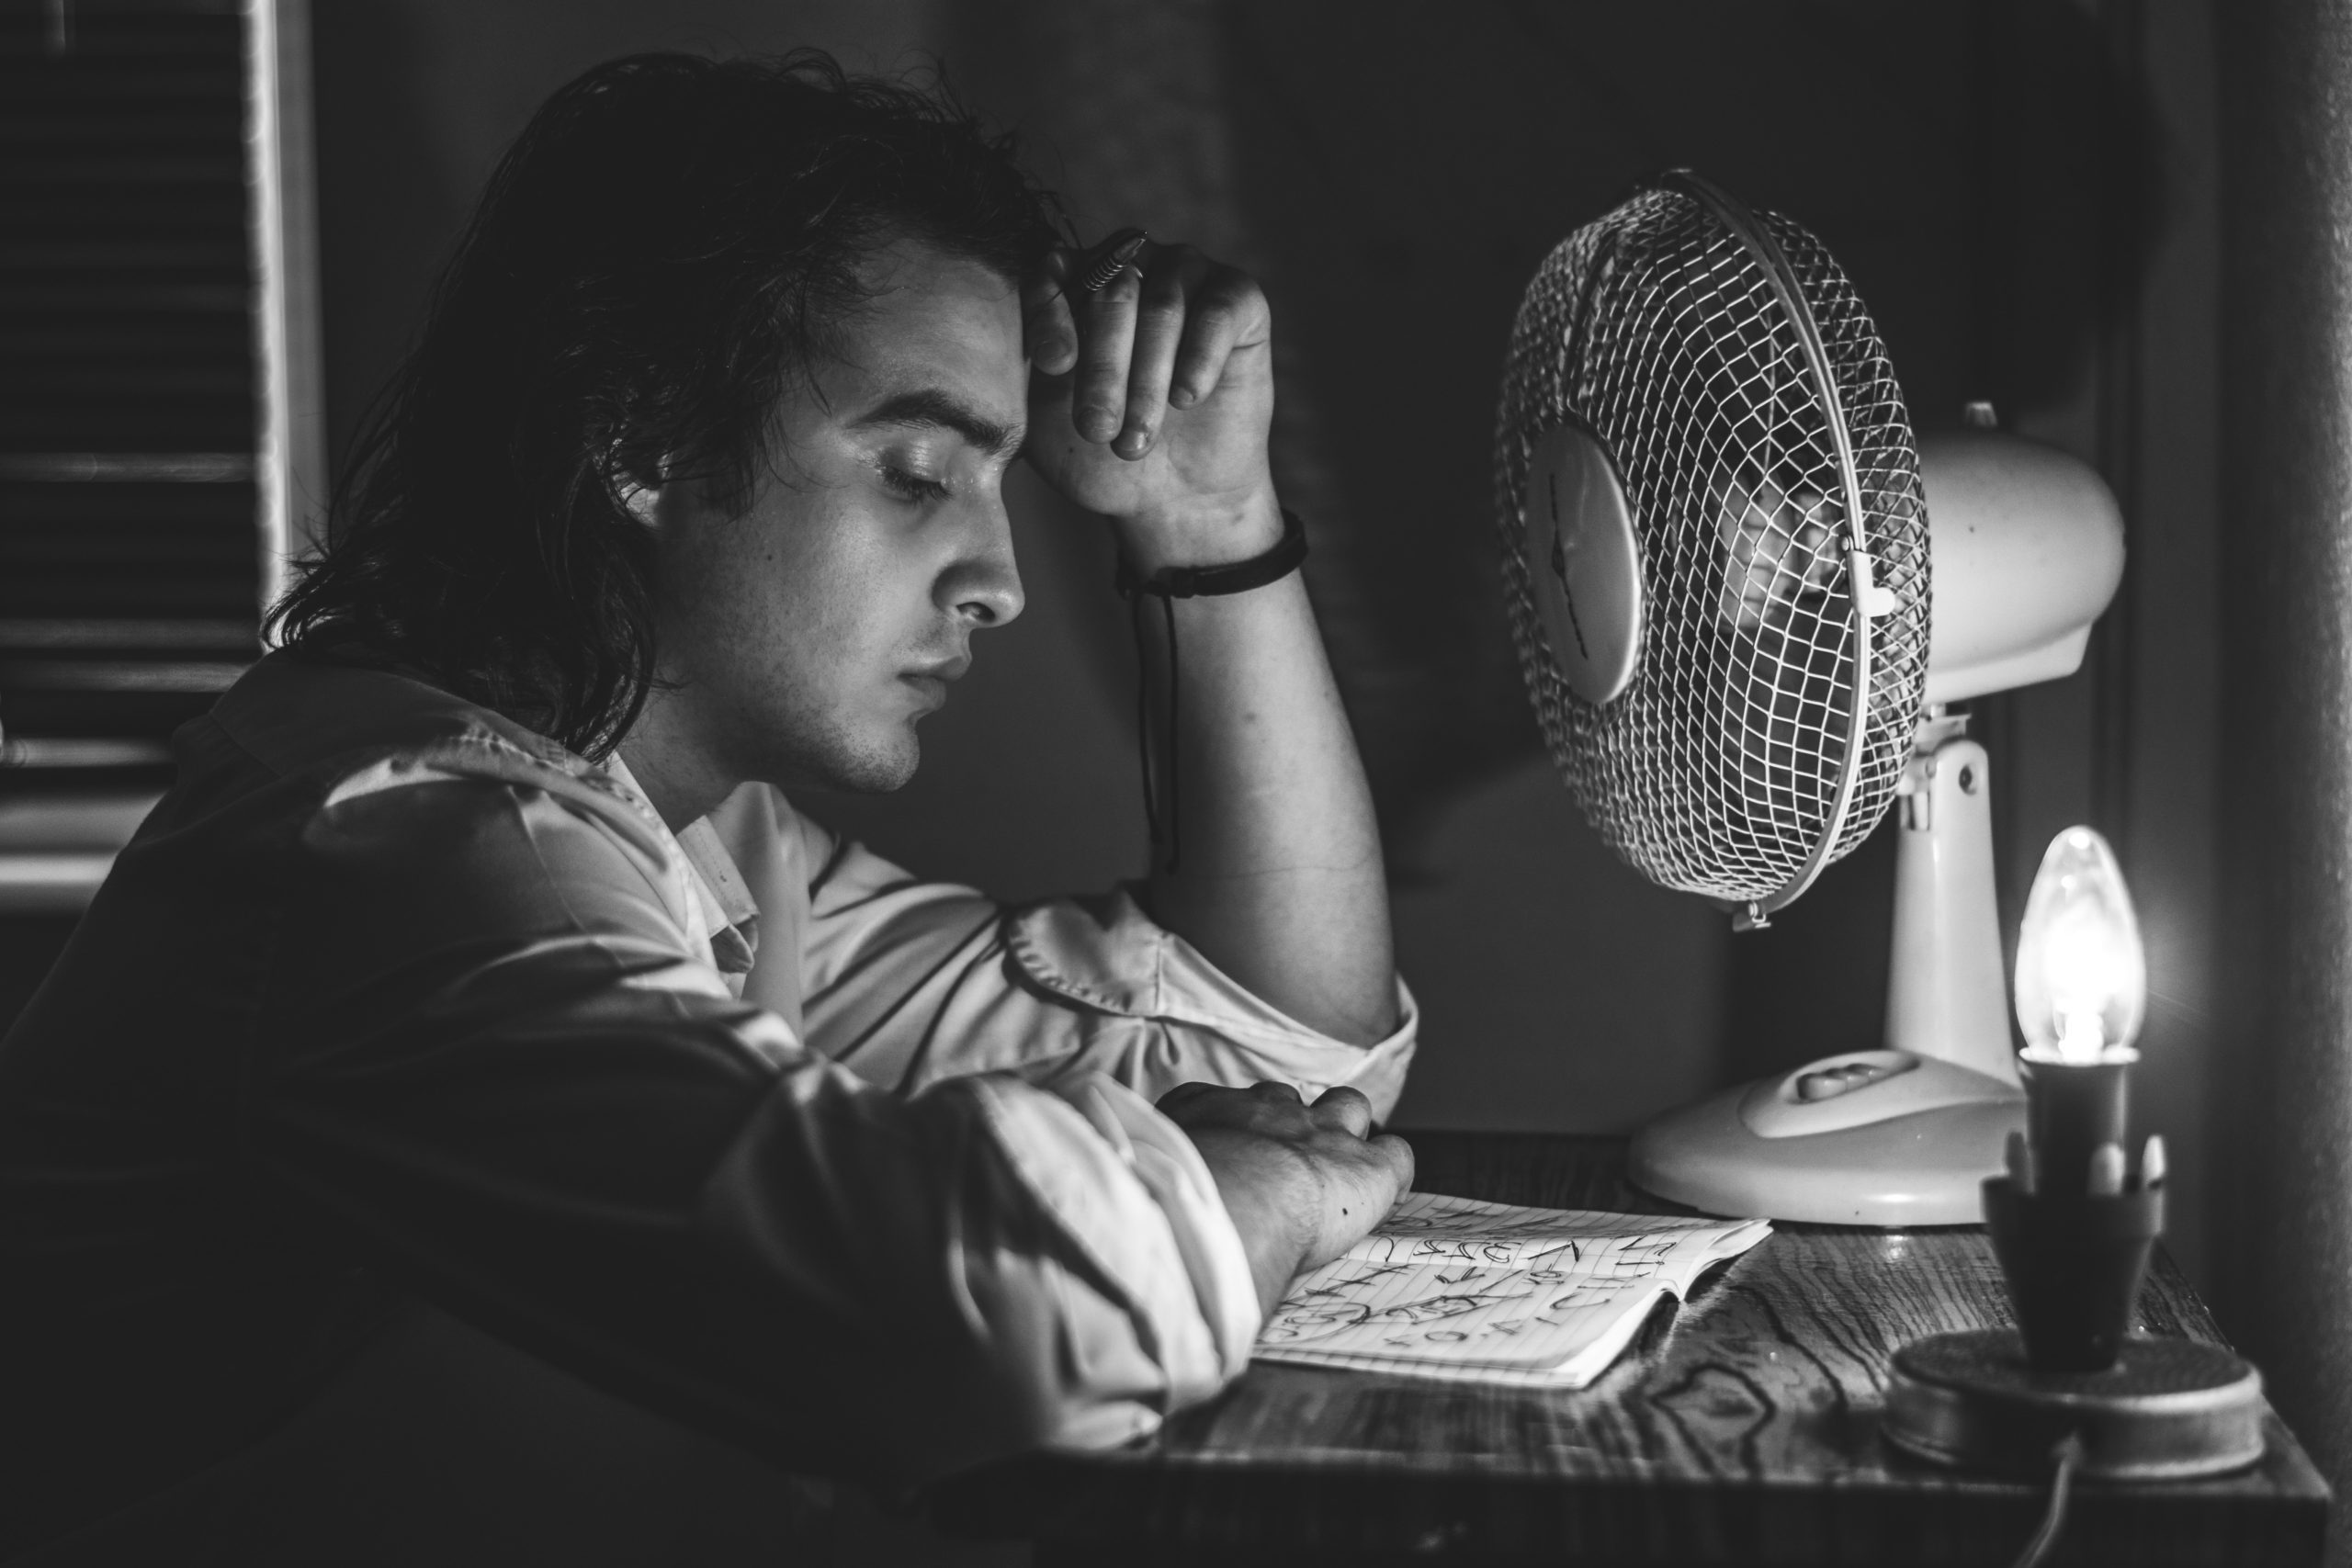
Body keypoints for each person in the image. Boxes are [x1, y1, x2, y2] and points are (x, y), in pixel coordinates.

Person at [0, 50, 1416, 1562]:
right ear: (644, 439)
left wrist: (1207, 520)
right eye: (920, 471)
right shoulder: (399, 841)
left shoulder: (705, 841)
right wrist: (1252, 1191)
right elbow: (993, 1320)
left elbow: (1265, 1037)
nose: (1000, 581)